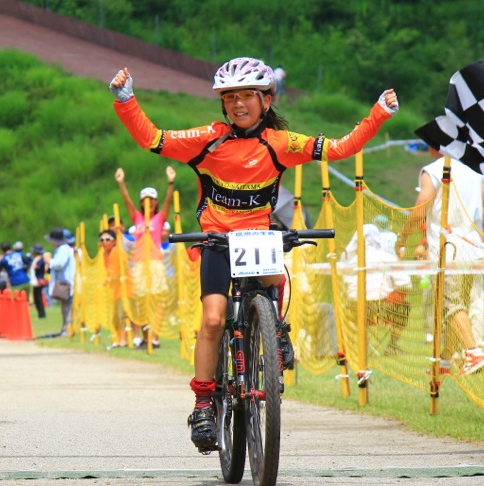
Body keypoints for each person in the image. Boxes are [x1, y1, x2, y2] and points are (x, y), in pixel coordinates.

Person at [109, 57, 398, 449]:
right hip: (217, 239)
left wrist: (378, 113)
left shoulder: (279, 143)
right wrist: (125, 99)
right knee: (212, 320)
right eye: (230, 97)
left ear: (266, 100)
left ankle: (275, 330)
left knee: (275, 279)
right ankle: (203, 405)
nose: (238, 104)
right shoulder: (209, 138)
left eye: (247, 96)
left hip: (256, 239)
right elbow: (153, 139)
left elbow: (342, 148)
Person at [396, 148, 484, 376]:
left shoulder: (431, 170)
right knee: (456, 306)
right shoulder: (476, 172)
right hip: (472, 249)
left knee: (451, 306)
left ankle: (473, 353)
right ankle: (444, 361)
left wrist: (401, 239)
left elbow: (420, 209)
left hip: (447, 250)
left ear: (435, 147)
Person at [114, 166, 176, 349]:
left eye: (152, 200)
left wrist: (171, 182)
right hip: (139, 263)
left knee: (157, 299)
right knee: (140, 299)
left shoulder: (159, 218)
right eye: (145, 200)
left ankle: (155, 337)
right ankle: (144, 336)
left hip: (156, 262)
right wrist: (121, 182)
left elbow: (168, 201)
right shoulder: (137, 218)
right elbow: (126, 201)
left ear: (156, 202)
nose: (149, 203)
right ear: (141, 203)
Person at [341, 224, 411, 357]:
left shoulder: (351, 262)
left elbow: (345, 287)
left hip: (353, 310)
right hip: (380, 310)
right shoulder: (387, 258)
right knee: (405, 306)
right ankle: (392, 345)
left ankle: (351, 349)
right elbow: (405, 283)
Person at [45, 227, 76, 336]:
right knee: (64, 307)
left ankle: (68, 329)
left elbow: (59, 264)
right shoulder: (61, 248)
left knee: (68, 307)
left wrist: (50, 261)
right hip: (63, 283)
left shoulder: (63, 249)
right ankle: (65, 328)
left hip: (66, 282)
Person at [30, 243, 48, 319]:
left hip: (39, 280)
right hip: (37, 280)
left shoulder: (40, 259)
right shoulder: (39, 259)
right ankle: (40, 314)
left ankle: (41, 314)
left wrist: (34, 261)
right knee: (36, 297)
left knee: (38, 297)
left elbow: (34, 267)